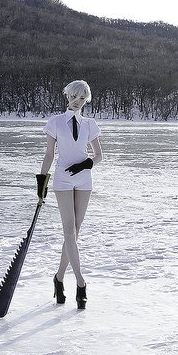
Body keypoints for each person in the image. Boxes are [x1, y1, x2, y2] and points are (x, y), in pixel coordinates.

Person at [38, 79, 103, 309]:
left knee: (74, 234)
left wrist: (86, 164)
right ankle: (81, 283)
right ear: (67, 96)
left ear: (86, 100)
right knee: (69, 229)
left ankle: (58, 278)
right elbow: (49, 154)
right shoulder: (55, 122)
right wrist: (41, 181)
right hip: (63, 179)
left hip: (84, 180)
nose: (77, 102)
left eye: (82, 99)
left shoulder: (89, 124)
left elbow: (98, 155)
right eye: (74, 97)